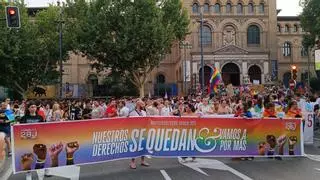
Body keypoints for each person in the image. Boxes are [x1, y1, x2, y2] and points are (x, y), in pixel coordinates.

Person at [128, 100, 149, 169]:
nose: (144, 105)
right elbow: (130, 122)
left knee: (143, 147)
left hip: (144, 132)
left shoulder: (144, 112)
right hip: (135, 133)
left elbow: (148, 120)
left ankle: (142, 161)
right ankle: (132, 162)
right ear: (138, 105)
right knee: (135, 147)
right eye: (142, 104)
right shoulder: (132, 113)